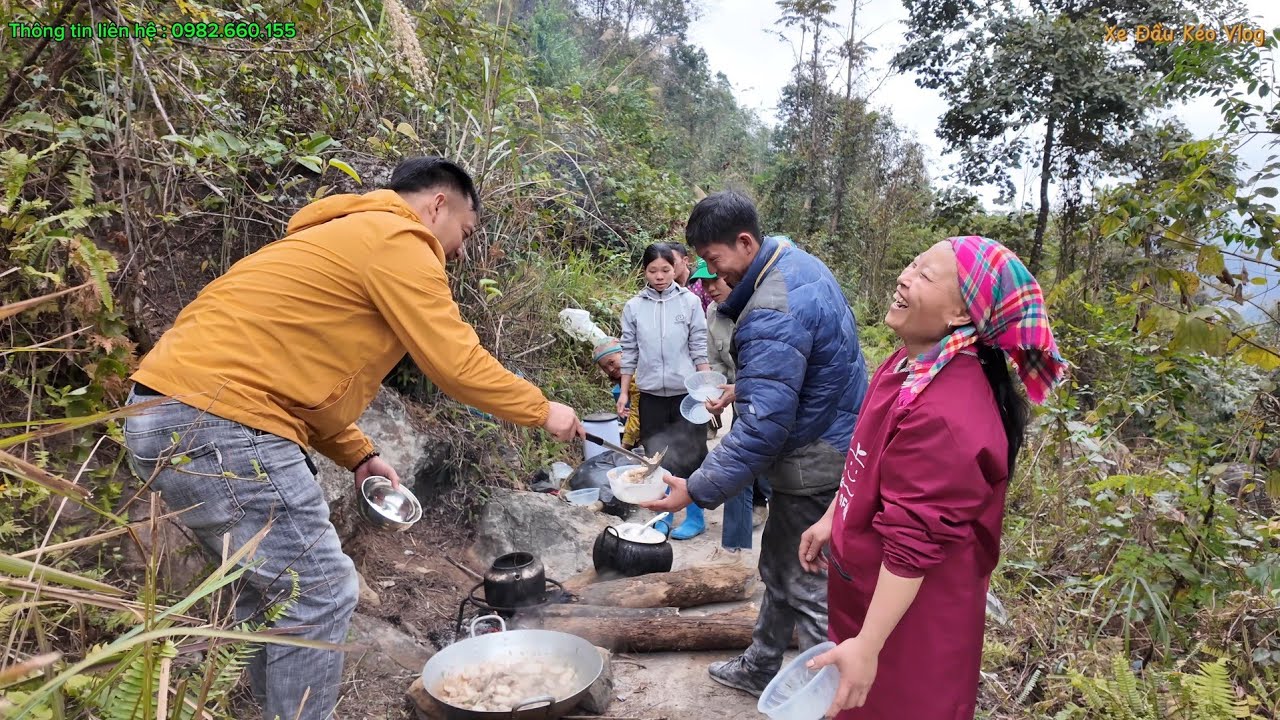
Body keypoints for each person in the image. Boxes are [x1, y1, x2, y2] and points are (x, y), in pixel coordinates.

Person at [122, 157, 584, 720]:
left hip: (166, 412)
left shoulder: (343, 236)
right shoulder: (400, 238)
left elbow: (293, 373)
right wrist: (543, 410)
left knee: (276, 598)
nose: (461, 250)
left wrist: (359, 453)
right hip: (222, 420)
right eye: (465, 231)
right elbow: (455, 363)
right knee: (321, 592)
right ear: (438, 204)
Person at [799, 236, 1066, 718]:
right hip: (869, 597)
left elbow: (912, 543)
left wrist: (867, 645)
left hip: (910, 623)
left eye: (925, 275)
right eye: (912, 264)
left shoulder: (944, 412)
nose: (904, 277)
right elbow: (868, 457)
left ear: (962, 315)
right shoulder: (907, 364)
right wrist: (833, 514)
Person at [643, 190, 869, 696]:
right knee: (779, 565)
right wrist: (744, 386)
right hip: (834, 438)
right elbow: (807, 366)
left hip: (814, 459)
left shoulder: (769, 309)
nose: (709, 271)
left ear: (745, 242)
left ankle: (822, 699)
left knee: (807, 584)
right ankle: (762, 665)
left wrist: (695, 490)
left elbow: (762, 429)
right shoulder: (798, 263)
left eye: (713, 258)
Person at [618, 243, 711, 540]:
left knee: (693, 454)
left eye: (665, 270)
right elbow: (629, 352)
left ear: (676, 268)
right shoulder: (634, 306)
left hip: (686, 394)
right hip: (651, 396)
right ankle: (663, 515)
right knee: (656, 456)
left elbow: (699, 347)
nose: (659, 276)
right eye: (653, 270)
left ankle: (695, 516)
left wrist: (705, 388)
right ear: (644, 271)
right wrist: (624, 393)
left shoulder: (690, 303)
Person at [693, 262, 755, 552]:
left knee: (774, 474)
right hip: (743, 407)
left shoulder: (758, 307)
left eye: (715, 280)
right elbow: (716, 362)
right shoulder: (712, 314)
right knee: (739, 473)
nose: (710, 289)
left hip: (778, 406)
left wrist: (738, 389)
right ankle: (734, 550)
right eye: (704, 284)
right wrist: (716, 395)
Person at [593, 338, 641, 448]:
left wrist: (624, 447)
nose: (610, 369)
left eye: (611, 362)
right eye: (605, 367)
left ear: (623, 353)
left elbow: (636, 414)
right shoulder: (627, 377)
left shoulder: (636, 377)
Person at [668, 242, 712, 311]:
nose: (668, 266)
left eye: (672, 261)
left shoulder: (701, 281)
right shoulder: (667, 289)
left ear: (685, 260)